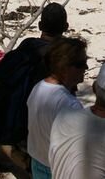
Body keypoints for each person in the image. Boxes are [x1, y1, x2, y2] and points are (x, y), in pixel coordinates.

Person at [0, 3, 70, 170]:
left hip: (14, 112)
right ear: (65, 27)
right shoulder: (63, 56)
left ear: (40, 26)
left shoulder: (28, 44)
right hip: (35, 122)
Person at [27, 37, 87, 178]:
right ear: (64, 67)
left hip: (37, 163)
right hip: (58, 170)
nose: (86, 68)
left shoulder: (38, 87)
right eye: (81, 64)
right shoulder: (69, 104)